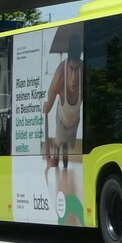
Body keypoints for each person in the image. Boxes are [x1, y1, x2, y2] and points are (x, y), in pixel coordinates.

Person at [43, 35, 83, 170]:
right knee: (59, 142)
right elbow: (47, 106)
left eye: (77, 69)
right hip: (61, 117)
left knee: (66, 144)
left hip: (74, 120)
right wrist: (46, 107)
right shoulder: (60, 74)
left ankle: (62, 149)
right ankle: (56, 151)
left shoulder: (84, 72)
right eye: (71, 69)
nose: (74, 79)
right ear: (67, 68)